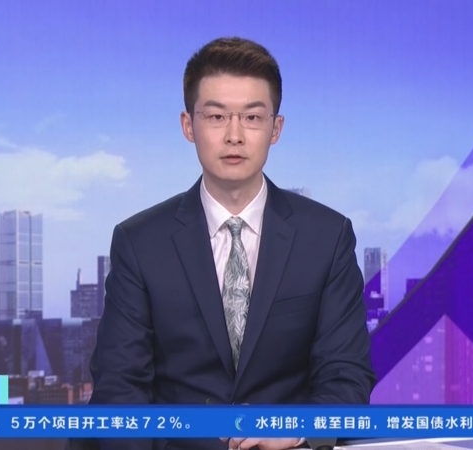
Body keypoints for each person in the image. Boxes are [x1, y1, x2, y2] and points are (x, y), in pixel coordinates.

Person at [73, 36, 375, 450]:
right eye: (216, 116)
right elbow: (120, 391)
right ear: (188, 125)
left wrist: (296, 428)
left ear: (275, 128)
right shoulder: (140, 243)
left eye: (252, 117)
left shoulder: (327, 237)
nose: (234, 135)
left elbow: (347, 376)